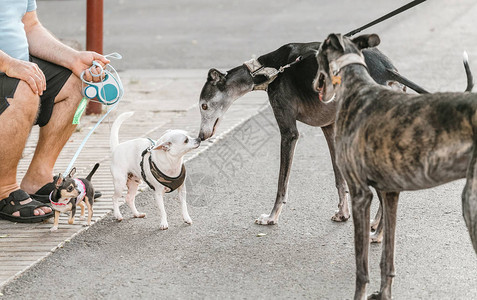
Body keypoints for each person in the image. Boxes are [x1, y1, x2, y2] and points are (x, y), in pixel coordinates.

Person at [0, 0, 109, 222]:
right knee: (25, 85)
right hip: (5, 65)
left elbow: (30, 26)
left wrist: (74, 58)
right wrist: (8, 64)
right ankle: (4, 190)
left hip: (13, 64)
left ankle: (38, 179)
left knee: (76, 82)